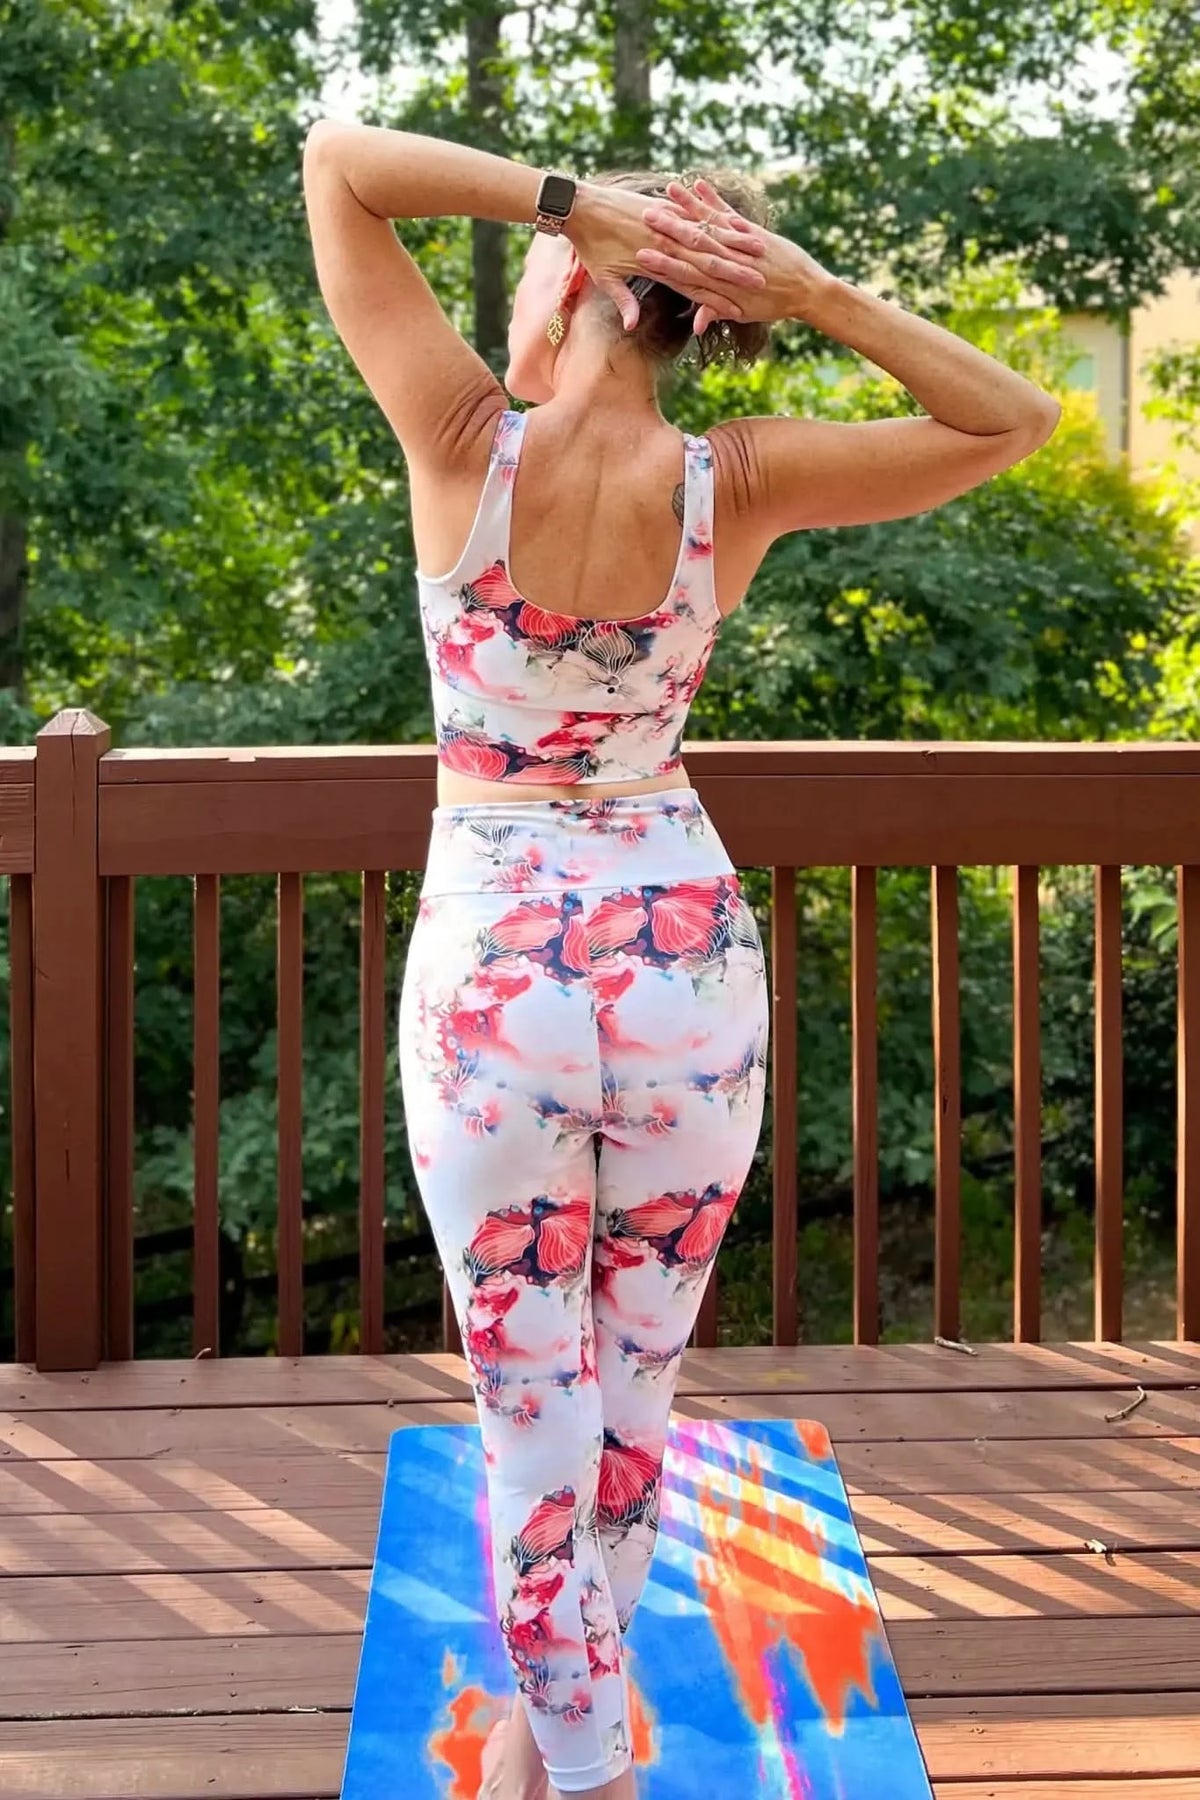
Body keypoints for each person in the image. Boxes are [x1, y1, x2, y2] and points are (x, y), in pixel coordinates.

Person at [302, 120, 1060, 1800]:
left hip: (496, 967)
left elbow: (339, 160)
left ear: (573, 283)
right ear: (707, 315)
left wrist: (574, 203)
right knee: (632, 1387)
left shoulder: (456, 439)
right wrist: (808, 291)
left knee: (527, 1409)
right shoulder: (742, 481)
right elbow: (1019, 417)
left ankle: (575, 1761)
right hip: (679, 971)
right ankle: (556, 1728)